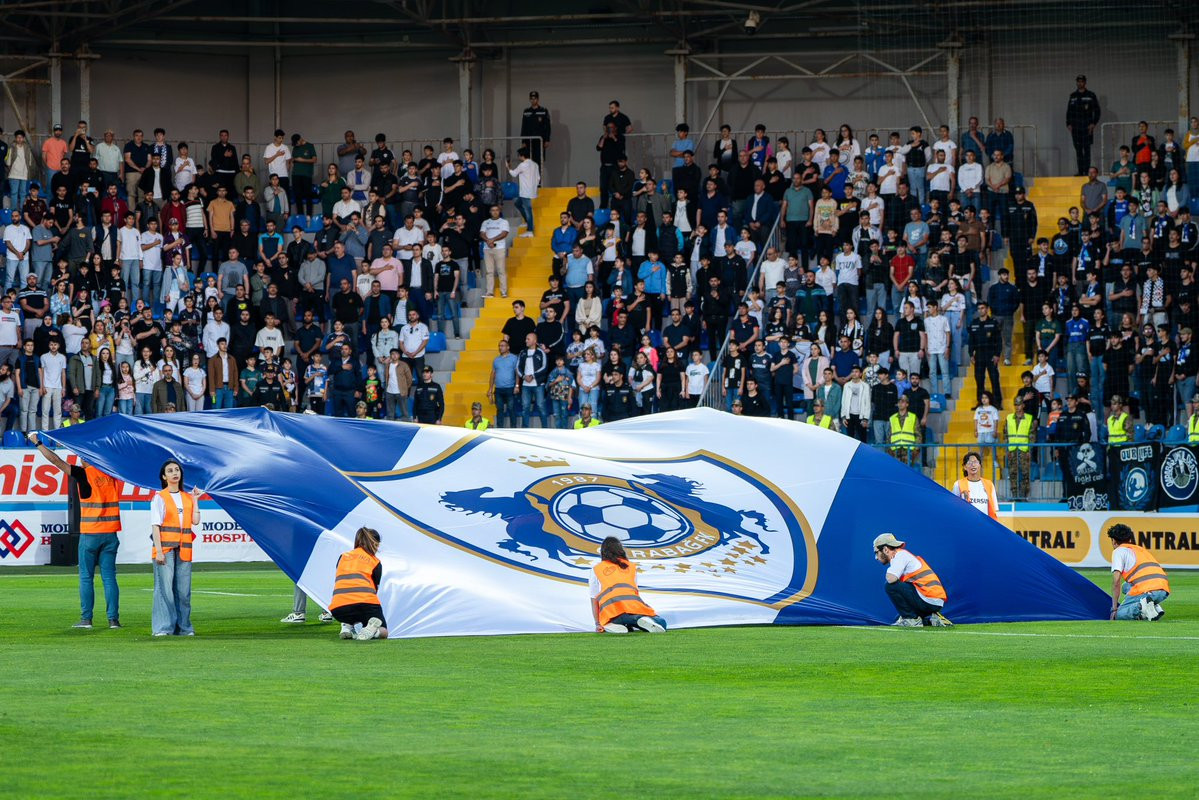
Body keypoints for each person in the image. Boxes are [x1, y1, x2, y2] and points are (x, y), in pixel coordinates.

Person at [30, 432, 123, 629]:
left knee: (86, 577)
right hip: (111, 534)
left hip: (90, 535)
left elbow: (55, 461)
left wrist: (37, 443)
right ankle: (113, 620)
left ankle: (86, 619)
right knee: (109, 578)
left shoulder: (83, 473)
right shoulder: (112, 473)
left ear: (85, 458)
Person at [150, 459, 202, 636]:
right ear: (164, 477)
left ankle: (184, 627)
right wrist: (158, 551)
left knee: (183, 592)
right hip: (165, 549)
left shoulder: (187, 497)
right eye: (170, 471)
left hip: (184, 549)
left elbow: (195, 521)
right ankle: (163, 628)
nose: (174, 473)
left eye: (177, 470)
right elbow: (155, 526)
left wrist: (195, 500)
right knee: (164, 591)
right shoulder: (160, 497)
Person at [590, 535, 666, 634]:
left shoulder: (596, 569)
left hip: (611, 611)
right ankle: (637, 620)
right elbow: (635, 591)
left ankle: (618, 623)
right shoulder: (631, 566)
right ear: (620, 550)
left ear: (603, 552)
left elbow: (593, 599)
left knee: (624, 618)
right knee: (662, 622)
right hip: (634, 606)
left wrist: (597, 624)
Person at [872, 533, 952, 627]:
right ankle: (931, 619)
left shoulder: (900, 555)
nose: (876, 558)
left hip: (928, 600)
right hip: (933, 601)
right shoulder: (903, 555)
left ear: (885, 549)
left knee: (890, 586)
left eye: (876, 552)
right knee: (901, 613)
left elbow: (891, 579)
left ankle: (911, 620)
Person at [329, 526, 389, 640]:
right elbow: (374, 589)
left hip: (338, 609)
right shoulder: (375, 561)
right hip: (365, 605)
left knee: (350, 608)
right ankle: (373, 631)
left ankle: (347, 626)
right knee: (384, 631)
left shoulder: (343, 557)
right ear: (375, 544)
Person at [1106, 523, 1168, 621]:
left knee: (1120, 615)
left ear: (1113, 541)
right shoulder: (1140, 549)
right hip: (1163, 591)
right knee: (1125, 586)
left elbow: (1116, 581)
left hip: (1146, 590)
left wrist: (1114, 609)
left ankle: (1141, 606)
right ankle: (1153, 607)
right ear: (1130, 539)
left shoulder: (1118, 551)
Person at [1066, 74, 1101, 177]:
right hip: (1076, 128)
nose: (1080, 83)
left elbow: (1097, 111)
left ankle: (1087, 172)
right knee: (1078, 150)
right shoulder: (1073, 96)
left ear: (1085, 82)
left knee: (1087, 150)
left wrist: (1093, 123)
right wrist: (1068, 123)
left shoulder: (1091, 95)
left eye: (1081, 81)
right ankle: (1080, 172)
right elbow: (1069, 111)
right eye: (1078, 81)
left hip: (1087, 127)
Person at [953, 451, 998, 520]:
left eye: (975, 462)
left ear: (980, 465)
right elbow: (954, 507)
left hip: (985, 524)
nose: (973, 465)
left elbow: (994, 509)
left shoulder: (989, 484)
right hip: (967, 523)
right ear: (965, 467)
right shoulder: (958, 484)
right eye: (969, 463)